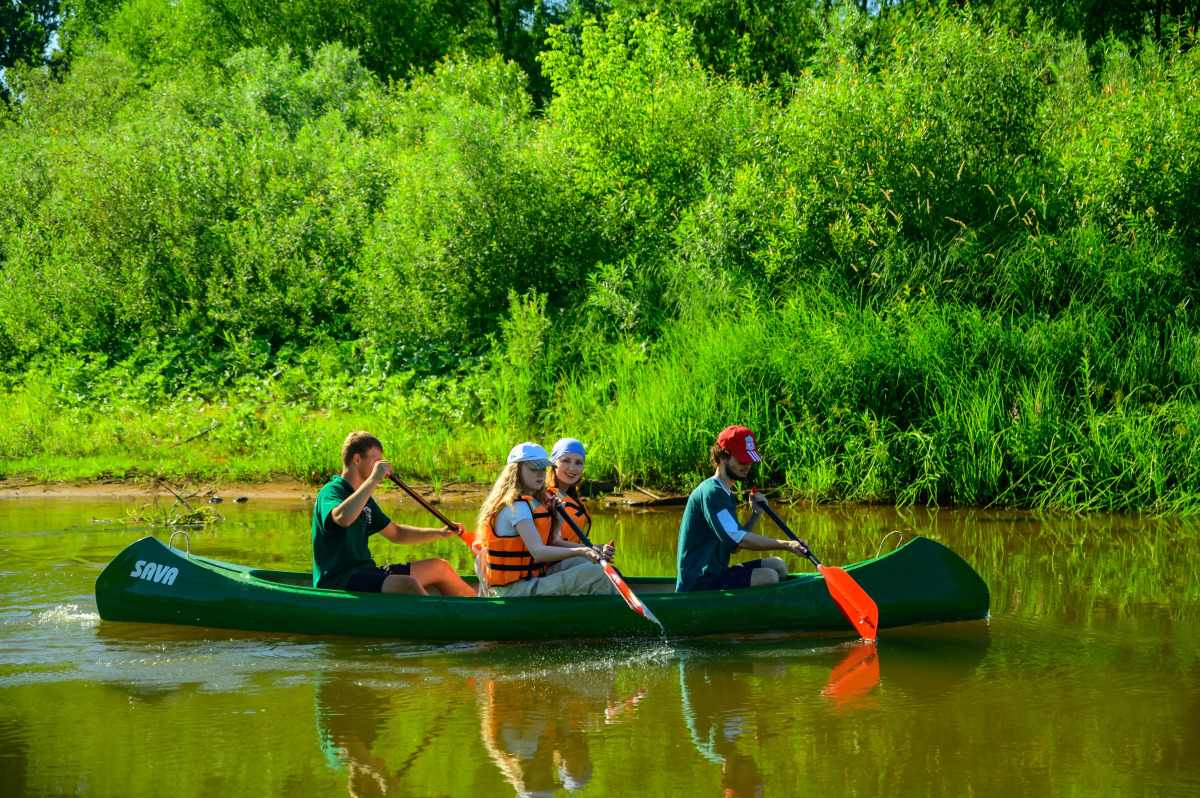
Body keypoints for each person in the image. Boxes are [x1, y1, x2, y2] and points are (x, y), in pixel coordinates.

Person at [312, 431, 476, 596]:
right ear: (356, 459)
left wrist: (440, 533)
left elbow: (396, 533)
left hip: (366, 573)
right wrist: (373, 479)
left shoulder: (365, 500)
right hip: (339, 581)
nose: (381, 466)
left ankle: (478, 608)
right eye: (376, 461)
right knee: (408, 584)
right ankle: (436, 613)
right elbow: (342, 518)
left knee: (439, 567)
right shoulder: (331, 491)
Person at [675, 426, 808, 593]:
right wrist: (788, 544)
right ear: (723, 457)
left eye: (750, 460)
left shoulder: (726, 494)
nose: (748, 465)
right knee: (769, 576)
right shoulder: (712, 493)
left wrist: (756, 514)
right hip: (700, 582)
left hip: (717, 574)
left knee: (779, 566)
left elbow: (734, 546)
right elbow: (738, 540)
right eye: (742, 460)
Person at [476, 442, 617, 597]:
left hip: (531, 578)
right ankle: (604, 609)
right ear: (516, 470)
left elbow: (550, 542)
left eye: (543, 468)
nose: (540, 474)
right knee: (600, 572)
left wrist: (558, 521)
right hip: (514, 590)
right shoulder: (516, 506)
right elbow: (538, 552)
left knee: (594, 564)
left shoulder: (531, 502)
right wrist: (581, 550)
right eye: (534, 468)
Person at [545, 437, 591, 544]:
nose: (572, 468)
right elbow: (553, 543)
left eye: (578, 463)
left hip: (572, 553)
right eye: (566, 461)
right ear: (553, 463)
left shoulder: (573, 499)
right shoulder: (543, 497)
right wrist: (593, 549)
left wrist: (599, 548)